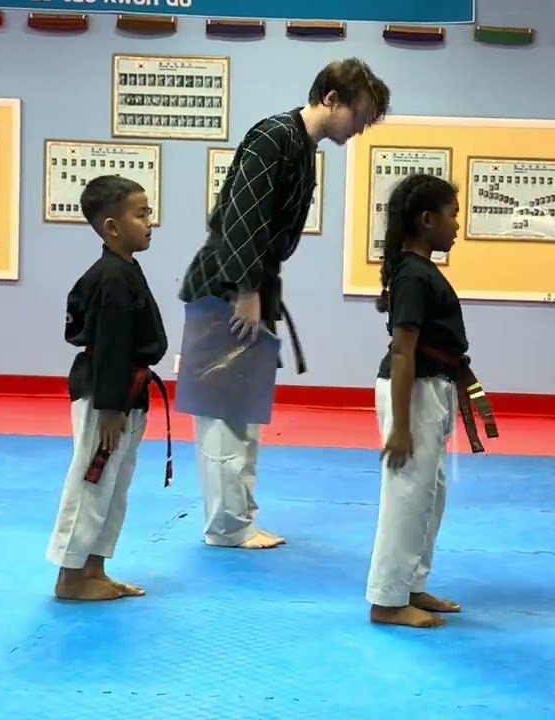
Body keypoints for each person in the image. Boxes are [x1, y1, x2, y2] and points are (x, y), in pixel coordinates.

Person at [178, 58, 391, 550]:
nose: (360, 128)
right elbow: (238, 217)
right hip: (227, 288)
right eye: (359, 114)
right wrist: (246, 290)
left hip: (252, 283)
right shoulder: (274, 136)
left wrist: (259, 288)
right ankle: (227, 527)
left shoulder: (302, 147)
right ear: (332, 99)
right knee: (225, 412)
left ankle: (240, 519)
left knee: (244, 412)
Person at [366, 173, 499, 629]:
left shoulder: (421, 271)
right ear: (427, 220)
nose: (458, 225)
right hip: (412, 389)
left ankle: (412, 585)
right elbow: (403, 350)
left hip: (431, 386)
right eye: (453, 215)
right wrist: (400, 426)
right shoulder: (412, 274)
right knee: (407, 494)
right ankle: (387, 599)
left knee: (429, 494)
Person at [46, 175, 171, 602]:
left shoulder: (125, 269)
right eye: (141, 214)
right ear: (112, 227)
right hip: (107, 394)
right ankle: (70, 575)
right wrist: (111, 407)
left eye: (149, 212)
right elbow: (111, 346)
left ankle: (95, 567)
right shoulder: (111, 278)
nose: (150, 221)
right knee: (92, 481)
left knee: (114, 485)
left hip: (126, 392)